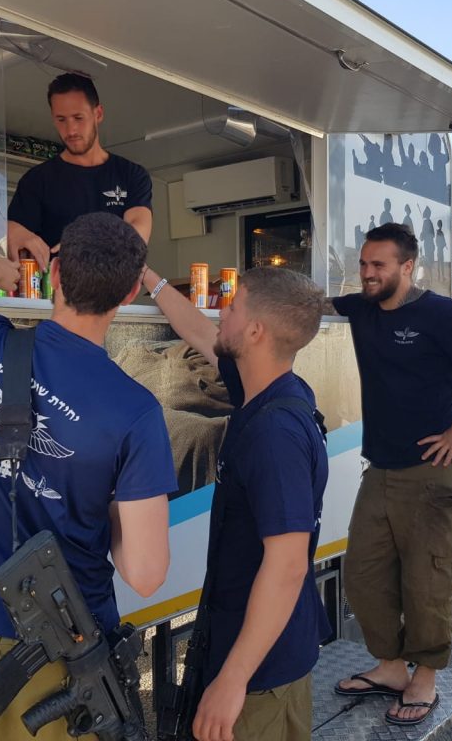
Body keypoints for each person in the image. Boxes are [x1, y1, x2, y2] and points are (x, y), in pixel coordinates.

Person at [0, 212, 177, 740]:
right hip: (65, 673)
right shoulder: (135, 412)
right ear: (126, 296)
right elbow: (145, 573)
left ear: (54, 275)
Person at [330, 223, 452, 726]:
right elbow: (310, 308)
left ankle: (425, 678)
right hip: (381, 471)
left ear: (407, 268)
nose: (367, 274)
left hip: (434, 475)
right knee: (364, 576)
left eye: (379, 266)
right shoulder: (362, 307)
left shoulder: (440, 313)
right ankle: (390, 668)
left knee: (427, 583)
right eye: (364, 264)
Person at [142, 263, 330, 741]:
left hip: (260, 679)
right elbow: (198, 330)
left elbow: (287, 566)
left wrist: (232, 679)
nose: (221, 313)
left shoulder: (275, 433)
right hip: (249, 649)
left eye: (232, 305)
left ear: (255, 329)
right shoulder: (268, 388)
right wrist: (148, 278)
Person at [7, 73, 153, 269]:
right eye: (61, 119)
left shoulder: (131, 175)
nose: (71, 130)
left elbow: (137, 237)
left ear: (98, 114)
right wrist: (14, 233)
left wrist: (89, 245)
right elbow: (11, 233)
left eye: (78, 118)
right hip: (55, 295)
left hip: (114, 295)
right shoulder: (37, 180)